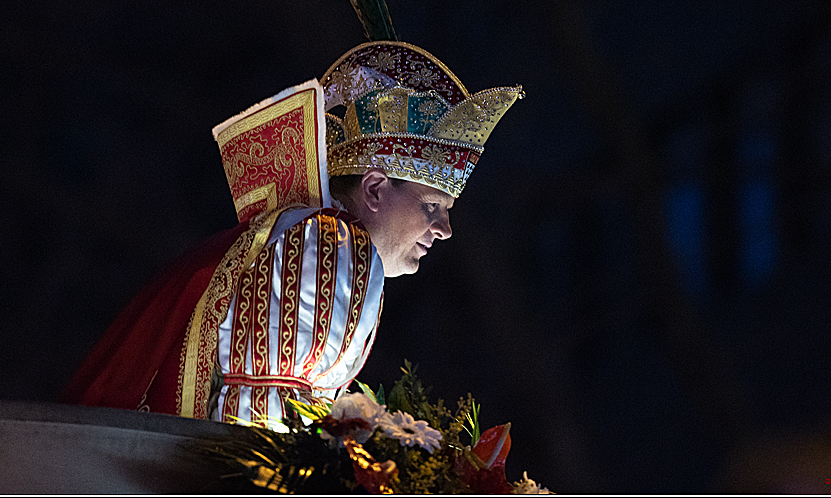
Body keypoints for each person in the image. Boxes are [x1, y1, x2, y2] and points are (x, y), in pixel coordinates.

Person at [60, 41, 520, 426]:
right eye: (432, 206)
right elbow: (258, 415)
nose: (444, 229)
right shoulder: (332, 244)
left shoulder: (309, 236)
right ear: (376, 188)